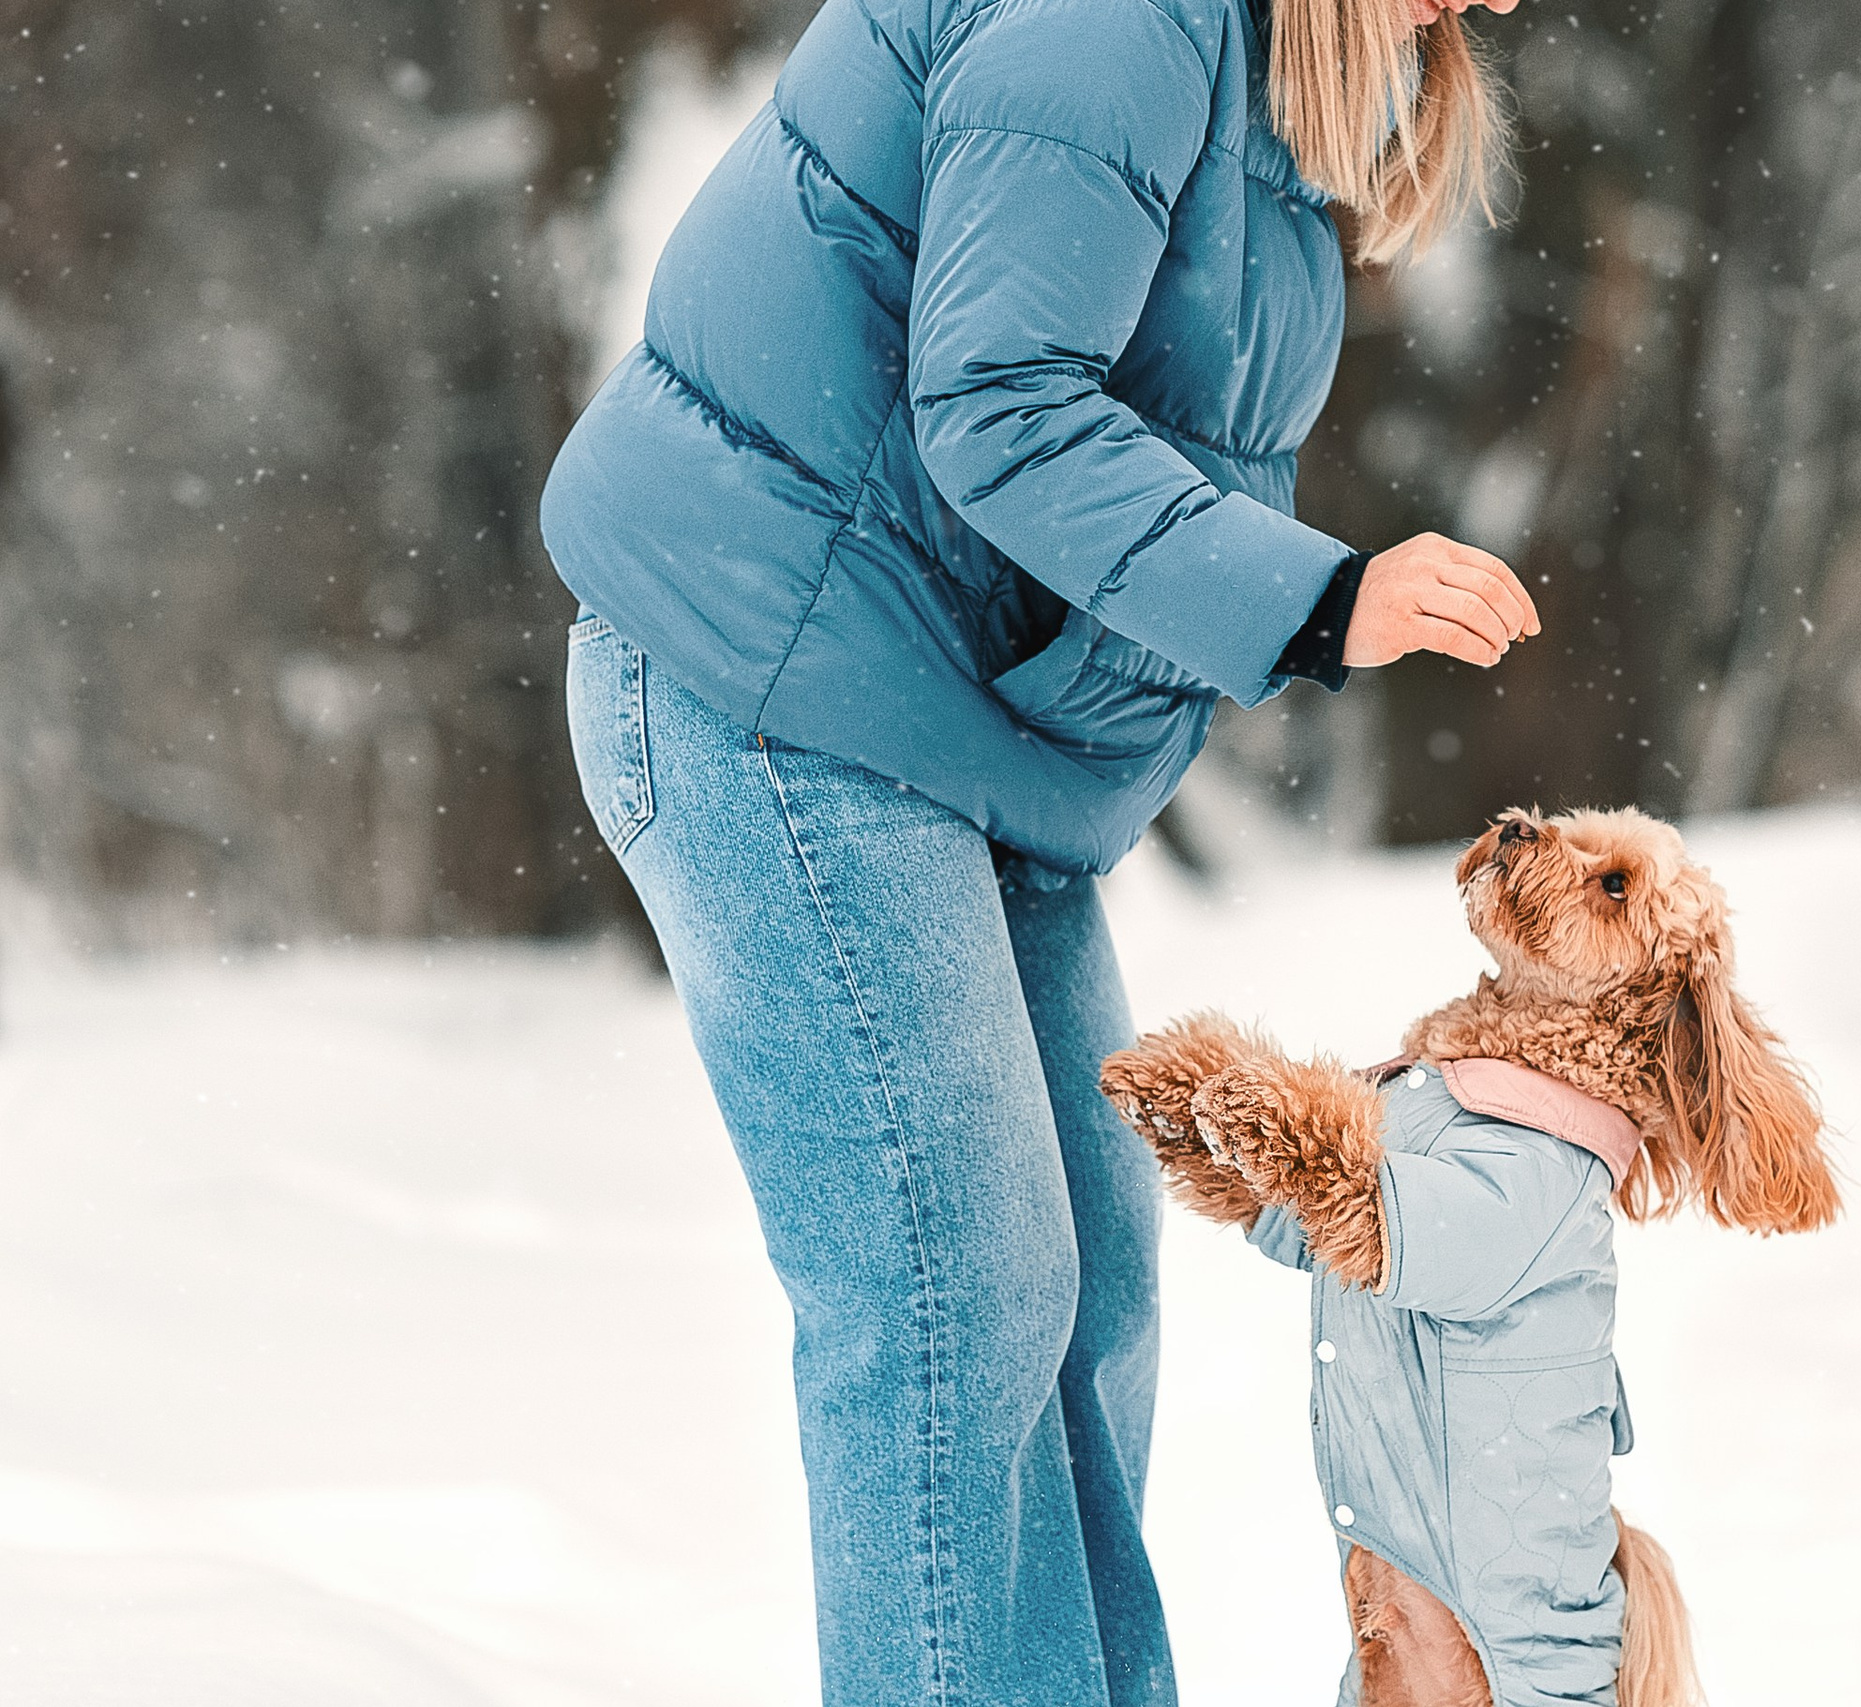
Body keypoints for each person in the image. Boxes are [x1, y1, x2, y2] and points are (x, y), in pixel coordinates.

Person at [541, 0, 1532, 1698]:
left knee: (1084, 1301)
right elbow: (999, 406)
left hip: (939, 723)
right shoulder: (1113, 17)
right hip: (774, 680)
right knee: (955, 1303)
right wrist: (1316, 597)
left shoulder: (1264, 66)